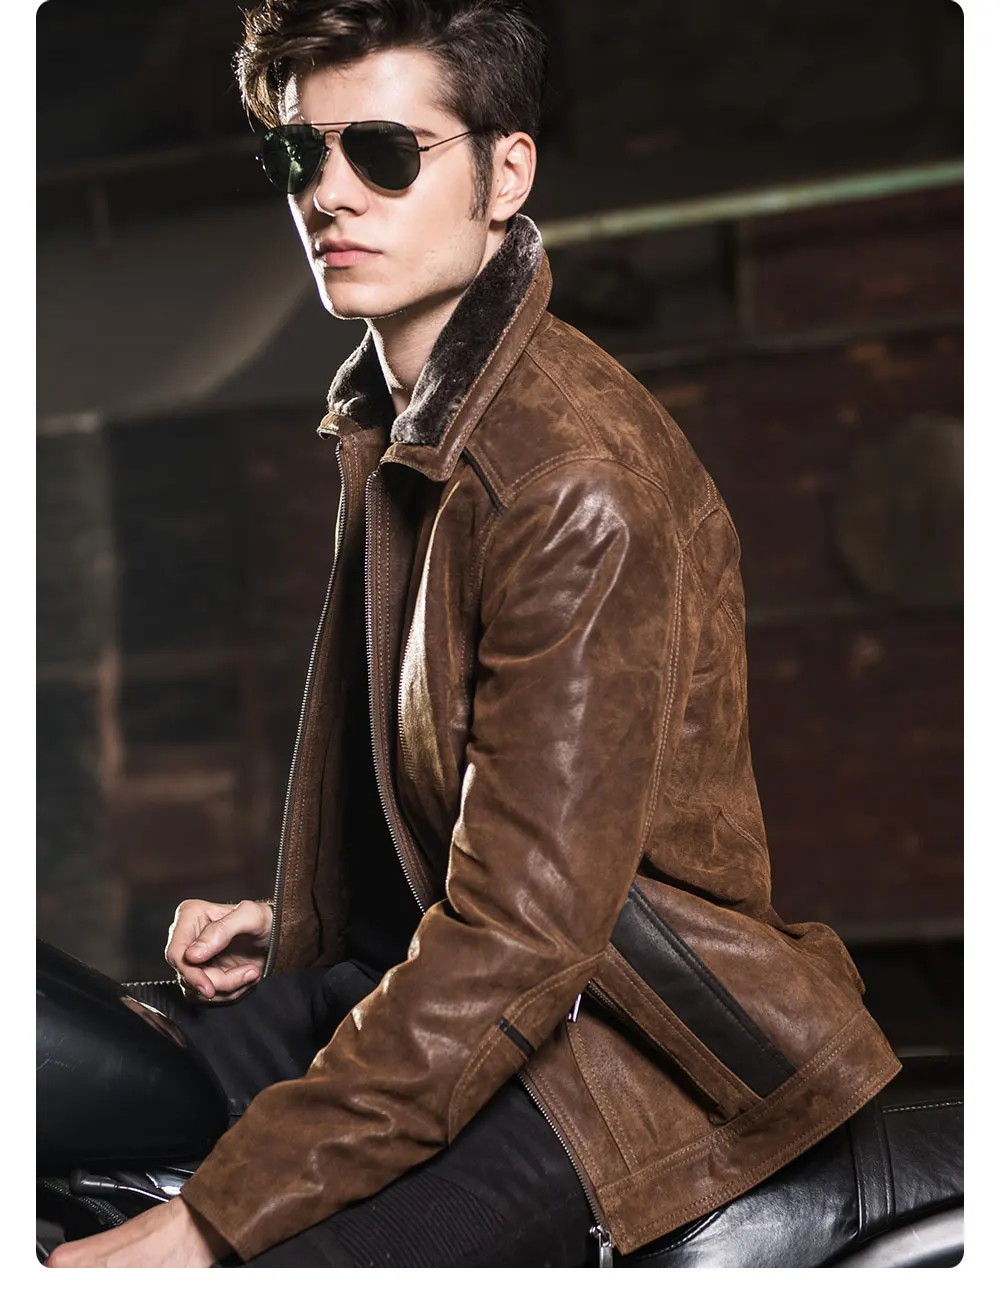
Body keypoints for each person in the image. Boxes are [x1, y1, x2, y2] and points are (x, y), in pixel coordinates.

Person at [46, 0, 900, 1268]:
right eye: (298, 153)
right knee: (74, 1091)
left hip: (620, 1046)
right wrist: (305, 922)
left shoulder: (566, 481)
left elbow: (522, 938)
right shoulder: (409, 421)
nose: (328, 193)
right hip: (463, 977)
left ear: (506, 174)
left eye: (384, 152)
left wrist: (215, 1224)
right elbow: (502, 825)